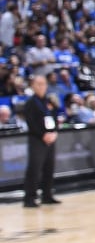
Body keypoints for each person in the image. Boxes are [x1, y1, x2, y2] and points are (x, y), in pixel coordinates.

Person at [20, 73, 60, 208]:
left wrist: (54, 132)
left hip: (50, 138)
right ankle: (29, 198)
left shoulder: (49, 101)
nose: (42, 87)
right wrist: (43, 134)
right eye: (39, 84)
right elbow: (31, 122)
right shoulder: (31, 103)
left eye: (44, 84)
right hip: (37, 139)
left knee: (49, 167)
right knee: (34, 169)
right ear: (33, 86)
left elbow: (55, 117)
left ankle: (47, 195)